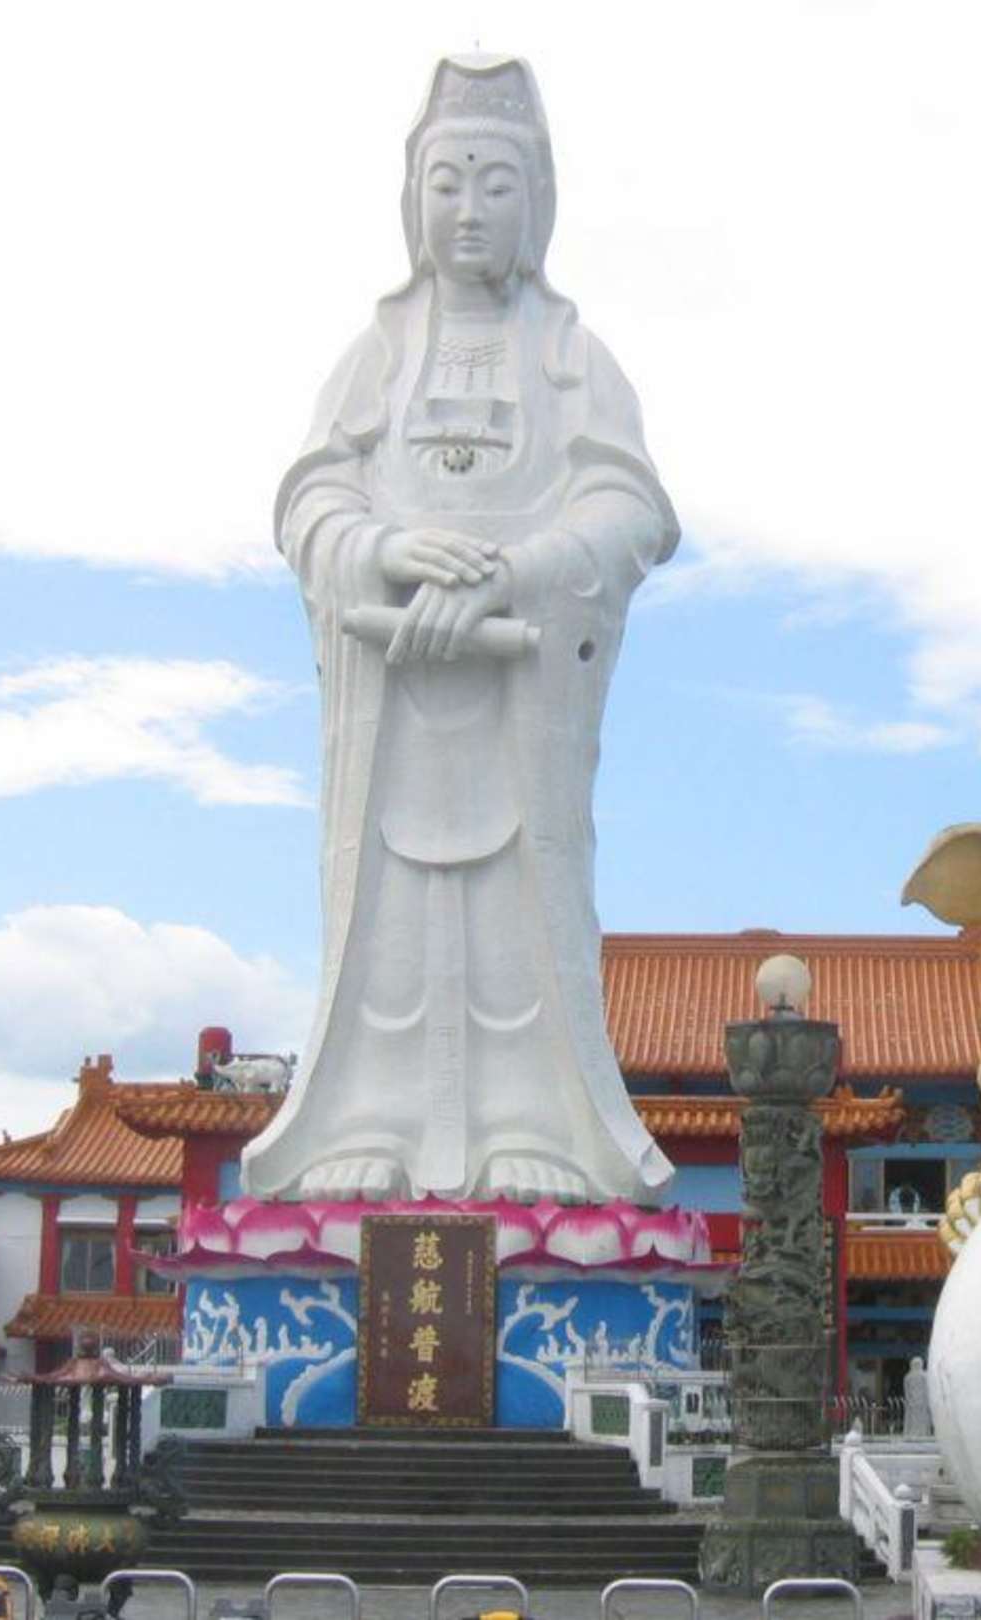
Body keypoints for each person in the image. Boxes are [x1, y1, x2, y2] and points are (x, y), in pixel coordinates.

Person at [241, 54, 676, 1209]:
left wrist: (514, 573)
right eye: (447, 184)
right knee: (381, 907)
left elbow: (631, 509)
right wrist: (384, 551)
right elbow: (311, 501)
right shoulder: (378, 357)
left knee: (521, 901)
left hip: (518, 686)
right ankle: (369, 1122)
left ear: (538, 202)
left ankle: (533, 1124)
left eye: (496, 185)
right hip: (393, 685)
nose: (469, 211)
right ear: (411, 199)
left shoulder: (571, 359)